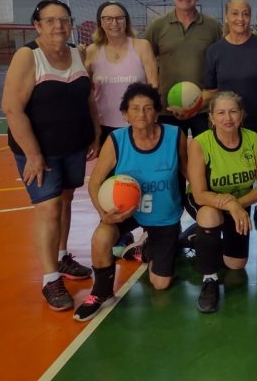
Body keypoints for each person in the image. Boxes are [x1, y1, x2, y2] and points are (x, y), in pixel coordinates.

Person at [2, 0, 100, 311]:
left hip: (73, 146)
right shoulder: (27, 57)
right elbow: (12, 109)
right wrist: (32, 154)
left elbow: (88, 100)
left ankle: (62, 257)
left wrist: (95, 134)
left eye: (63, 20)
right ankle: (49, 278)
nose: (58, 26)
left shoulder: (77, 53)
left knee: (67, 200)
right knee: (48, 208)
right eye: (50, 20)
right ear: (37, 25)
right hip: (38, 151)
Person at [73, 83, 187, 322]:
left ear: (156, 112)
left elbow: (188, 173)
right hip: (126, 213)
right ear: (125, 114)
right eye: (134, 109)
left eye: (147, 108)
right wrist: (103, 213)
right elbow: (94, 183)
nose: (141, 114)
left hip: (164, 216)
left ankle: (147, 249)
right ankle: (101, 293)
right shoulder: (116, 140)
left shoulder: (175, 136)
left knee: (161, 283)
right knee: (101, 237)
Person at [186, 91, 257, 313]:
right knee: (211, 216)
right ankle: (209, 280)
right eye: (220, 113)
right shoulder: (201, 143)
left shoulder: (253, 139)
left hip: (240, 202)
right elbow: (200, 194)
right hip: (206, 202)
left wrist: (237, 204)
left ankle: (196, 238)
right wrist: (231, 205)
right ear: (211, 117)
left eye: (233, 111)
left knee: (236, 264)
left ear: (242, 115)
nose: (227, 118)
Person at [145, 0, 221, 138]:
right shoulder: (157, 26)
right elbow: (145, 63)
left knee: (204, 160)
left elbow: (221, 64)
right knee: (171, 161)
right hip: (167, 110)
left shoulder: (213, 27)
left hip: (203, 109)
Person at [85, 1, 158, 145]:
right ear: (100, 22)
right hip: (104, 124)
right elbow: (85, 89)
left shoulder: (142, 46)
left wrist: (151, 118)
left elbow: (153, 85)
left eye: (119, 18)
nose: (114, 23)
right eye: (108, 18)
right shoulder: (91, 51)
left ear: (126, 21)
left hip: (138, 123)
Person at [204, 0, 257, 133]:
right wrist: (189, 107)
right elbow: (210, 92)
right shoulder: (214, 51)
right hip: (227, 128)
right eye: (235, 13)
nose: (240, 19)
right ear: (226, 17)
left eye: (245, 14)